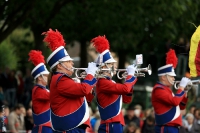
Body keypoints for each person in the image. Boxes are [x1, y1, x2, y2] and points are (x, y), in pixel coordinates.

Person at [42, 29, 98, 133]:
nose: (72, 64)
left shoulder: (62, 79)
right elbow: (84, 90)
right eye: (68, 61)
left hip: (74, 126)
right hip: (70, 128)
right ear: (59, 65)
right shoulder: (61, 79)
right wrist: (90, 75)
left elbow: (86, 98)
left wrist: (87, 82)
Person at [91, 35, 138, 133]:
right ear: (104, 67)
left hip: (116, 123)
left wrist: (130, 81)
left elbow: (126, 99)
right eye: (111, 64)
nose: (115, 66)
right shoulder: (103, 82)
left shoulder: (110, 82)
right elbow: (125, 89)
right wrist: (130, 77)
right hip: (110, 124)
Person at [151, 49, 191, 133]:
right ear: (163, 77)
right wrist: (181, 88)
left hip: (172, 127)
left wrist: (185, 91)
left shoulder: (167, 89)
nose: (174, 78)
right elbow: (174, 102)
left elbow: (181, 107)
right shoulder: (159, 89)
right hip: (165, 127)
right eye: (171, 76)